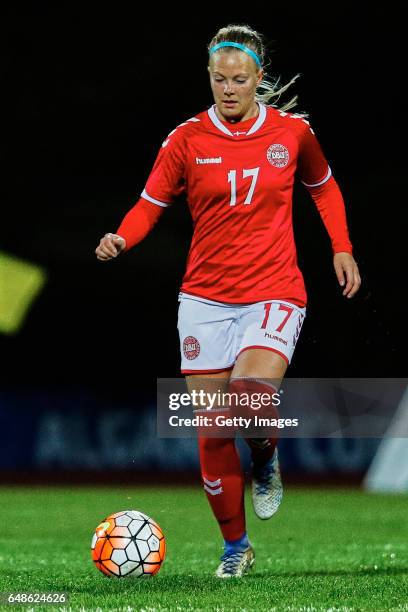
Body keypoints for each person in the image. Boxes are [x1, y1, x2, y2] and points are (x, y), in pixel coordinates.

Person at [95, 24, 361, 578]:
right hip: (204, 299)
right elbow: (149, 204)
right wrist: (122, 235)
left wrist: (342, 247)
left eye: (240, 79)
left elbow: (324, 186)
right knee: (213, 429)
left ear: (259, 77)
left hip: (274, 289)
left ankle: (264, 455)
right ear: (209, 77)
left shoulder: (293, 133)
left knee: (248, 396)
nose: (229, 89)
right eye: (219, 79)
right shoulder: (186, 139)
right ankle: (236, 548)